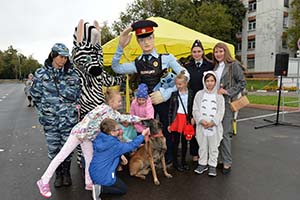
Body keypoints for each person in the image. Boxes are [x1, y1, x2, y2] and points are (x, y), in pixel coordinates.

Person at [36, 90, 143, 198]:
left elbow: (125, 118)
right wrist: (83, 133)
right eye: (119, 101)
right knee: (61, 156)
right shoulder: (103, 109)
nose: (121, 103)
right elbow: (89, 119)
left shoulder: (113, 113)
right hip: (78, 134)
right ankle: (44, 180)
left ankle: (89, 183)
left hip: (87, 137)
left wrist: (141, 119)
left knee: (89, 159)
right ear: (111, 101)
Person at [111, 19, 190, 163]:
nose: (146, 43)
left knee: (168, 129)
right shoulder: (137, 63)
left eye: (149, 38)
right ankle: (149, 158)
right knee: (145, 130)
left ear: (153, 38)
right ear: (138, 42)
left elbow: (186, 76)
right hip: (145, 105)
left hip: (164, 102)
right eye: (142, 40)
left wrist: (165, 94)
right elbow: (116, 67)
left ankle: (170, 157)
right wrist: (120, 46)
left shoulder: (167, 58)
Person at [72, 20, 125, 166]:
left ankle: (98, 159)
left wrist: (124, 76)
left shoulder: (99, 74)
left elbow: (111, 81)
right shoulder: (77, 74)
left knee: (98, 135)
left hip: (99, 112)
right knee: (83, 135)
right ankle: (82, 160)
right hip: (84, 112)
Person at [30, 43, 81, 190]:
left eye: (66, 57)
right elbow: (36, 95)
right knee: (53, 148)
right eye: (61, 57)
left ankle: (67, 173)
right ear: (53, 55)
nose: (63, 60)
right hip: (50, 120)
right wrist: (45, 111)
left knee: (67, 147)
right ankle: (58, 175)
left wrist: (69, 107)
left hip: (68, 119)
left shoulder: (72, 74)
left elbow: (77, 94)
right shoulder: (41, 74)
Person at [89, 118, 150, 200]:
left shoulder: (100, 138)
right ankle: (100, 188)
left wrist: (120, 155)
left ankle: (99, 185)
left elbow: (110, 152)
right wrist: (142, 135)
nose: (120, 131)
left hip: (94, 171)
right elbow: (131, 145)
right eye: (117, 129)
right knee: (123, 189)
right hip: (103, 176)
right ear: (112, 132)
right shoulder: (114, 145)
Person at [212, 42, 246, 174]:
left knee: (225, 133)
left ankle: (227, 162)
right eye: (216, 52)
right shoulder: (215, 66)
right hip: (215, 104)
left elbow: (242, 82)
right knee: (217, 132)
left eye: (221, 51)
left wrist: (228, 91)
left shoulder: (234, 65)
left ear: (226, 52)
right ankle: (220, 159)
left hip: (227, 102)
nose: (218, 54)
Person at [184, 39, 214, 163]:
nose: (196, 54)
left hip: (206, 99)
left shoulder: (209, 66)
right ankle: (195, 153)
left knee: (206, 126)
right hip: (192, 99)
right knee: (194, 126)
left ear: (202, 52)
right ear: (191, 53)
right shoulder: (187, 67)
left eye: (199, 51)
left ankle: (207, 152)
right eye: (194, 51)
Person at [192, 71, 225, 177]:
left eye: (212, 81)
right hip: (202, 126)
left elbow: (221, 111)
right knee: (202, 145)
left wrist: (213, 122)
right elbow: (195, 109)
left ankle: (212, 165)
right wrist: (201, 120)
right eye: (207, 81)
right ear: (204, 82)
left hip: (214, 127)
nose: (209, 83)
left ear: (215, 82)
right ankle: (202, 163)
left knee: (213, 146)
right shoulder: (199, 94)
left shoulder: (219, 96)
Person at [168, 71, 194, 172]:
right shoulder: (174, 94)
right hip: (176, 119)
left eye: (180, 84)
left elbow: (192, 106)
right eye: (177, 84)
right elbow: (170, 110)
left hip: (186, 119)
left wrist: (192, 117)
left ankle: (183, 161)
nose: (178, 86)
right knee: (175, 141)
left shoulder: (191, 93)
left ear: (186, 83)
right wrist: (170, 123)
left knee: (184, 141)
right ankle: (175, 162)